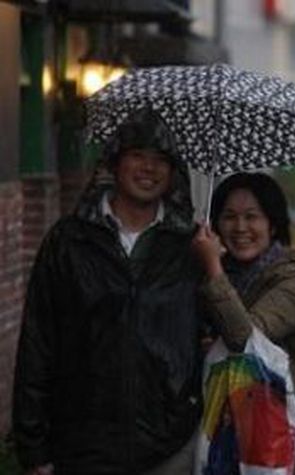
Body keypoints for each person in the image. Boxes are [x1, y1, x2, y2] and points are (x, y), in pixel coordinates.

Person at [12, 109, 204, 474]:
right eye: (138, 156)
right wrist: (33, 445)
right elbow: (38, 343)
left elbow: (216, 334)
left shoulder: (190, 247)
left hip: (170, 447)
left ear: (173, 171)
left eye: (160, 159)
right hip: (82, 446)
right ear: (115, 163)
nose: (149, 168)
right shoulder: (68, 241)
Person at [191, 172, 295, 475]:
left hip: (288, 458)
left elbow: (244, 339)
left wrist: (212, 268)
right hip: (224, 454)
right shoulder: (208, 280)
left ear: (272, 224)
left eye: (252, 217)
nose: (240, 227)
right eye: (229, 217)